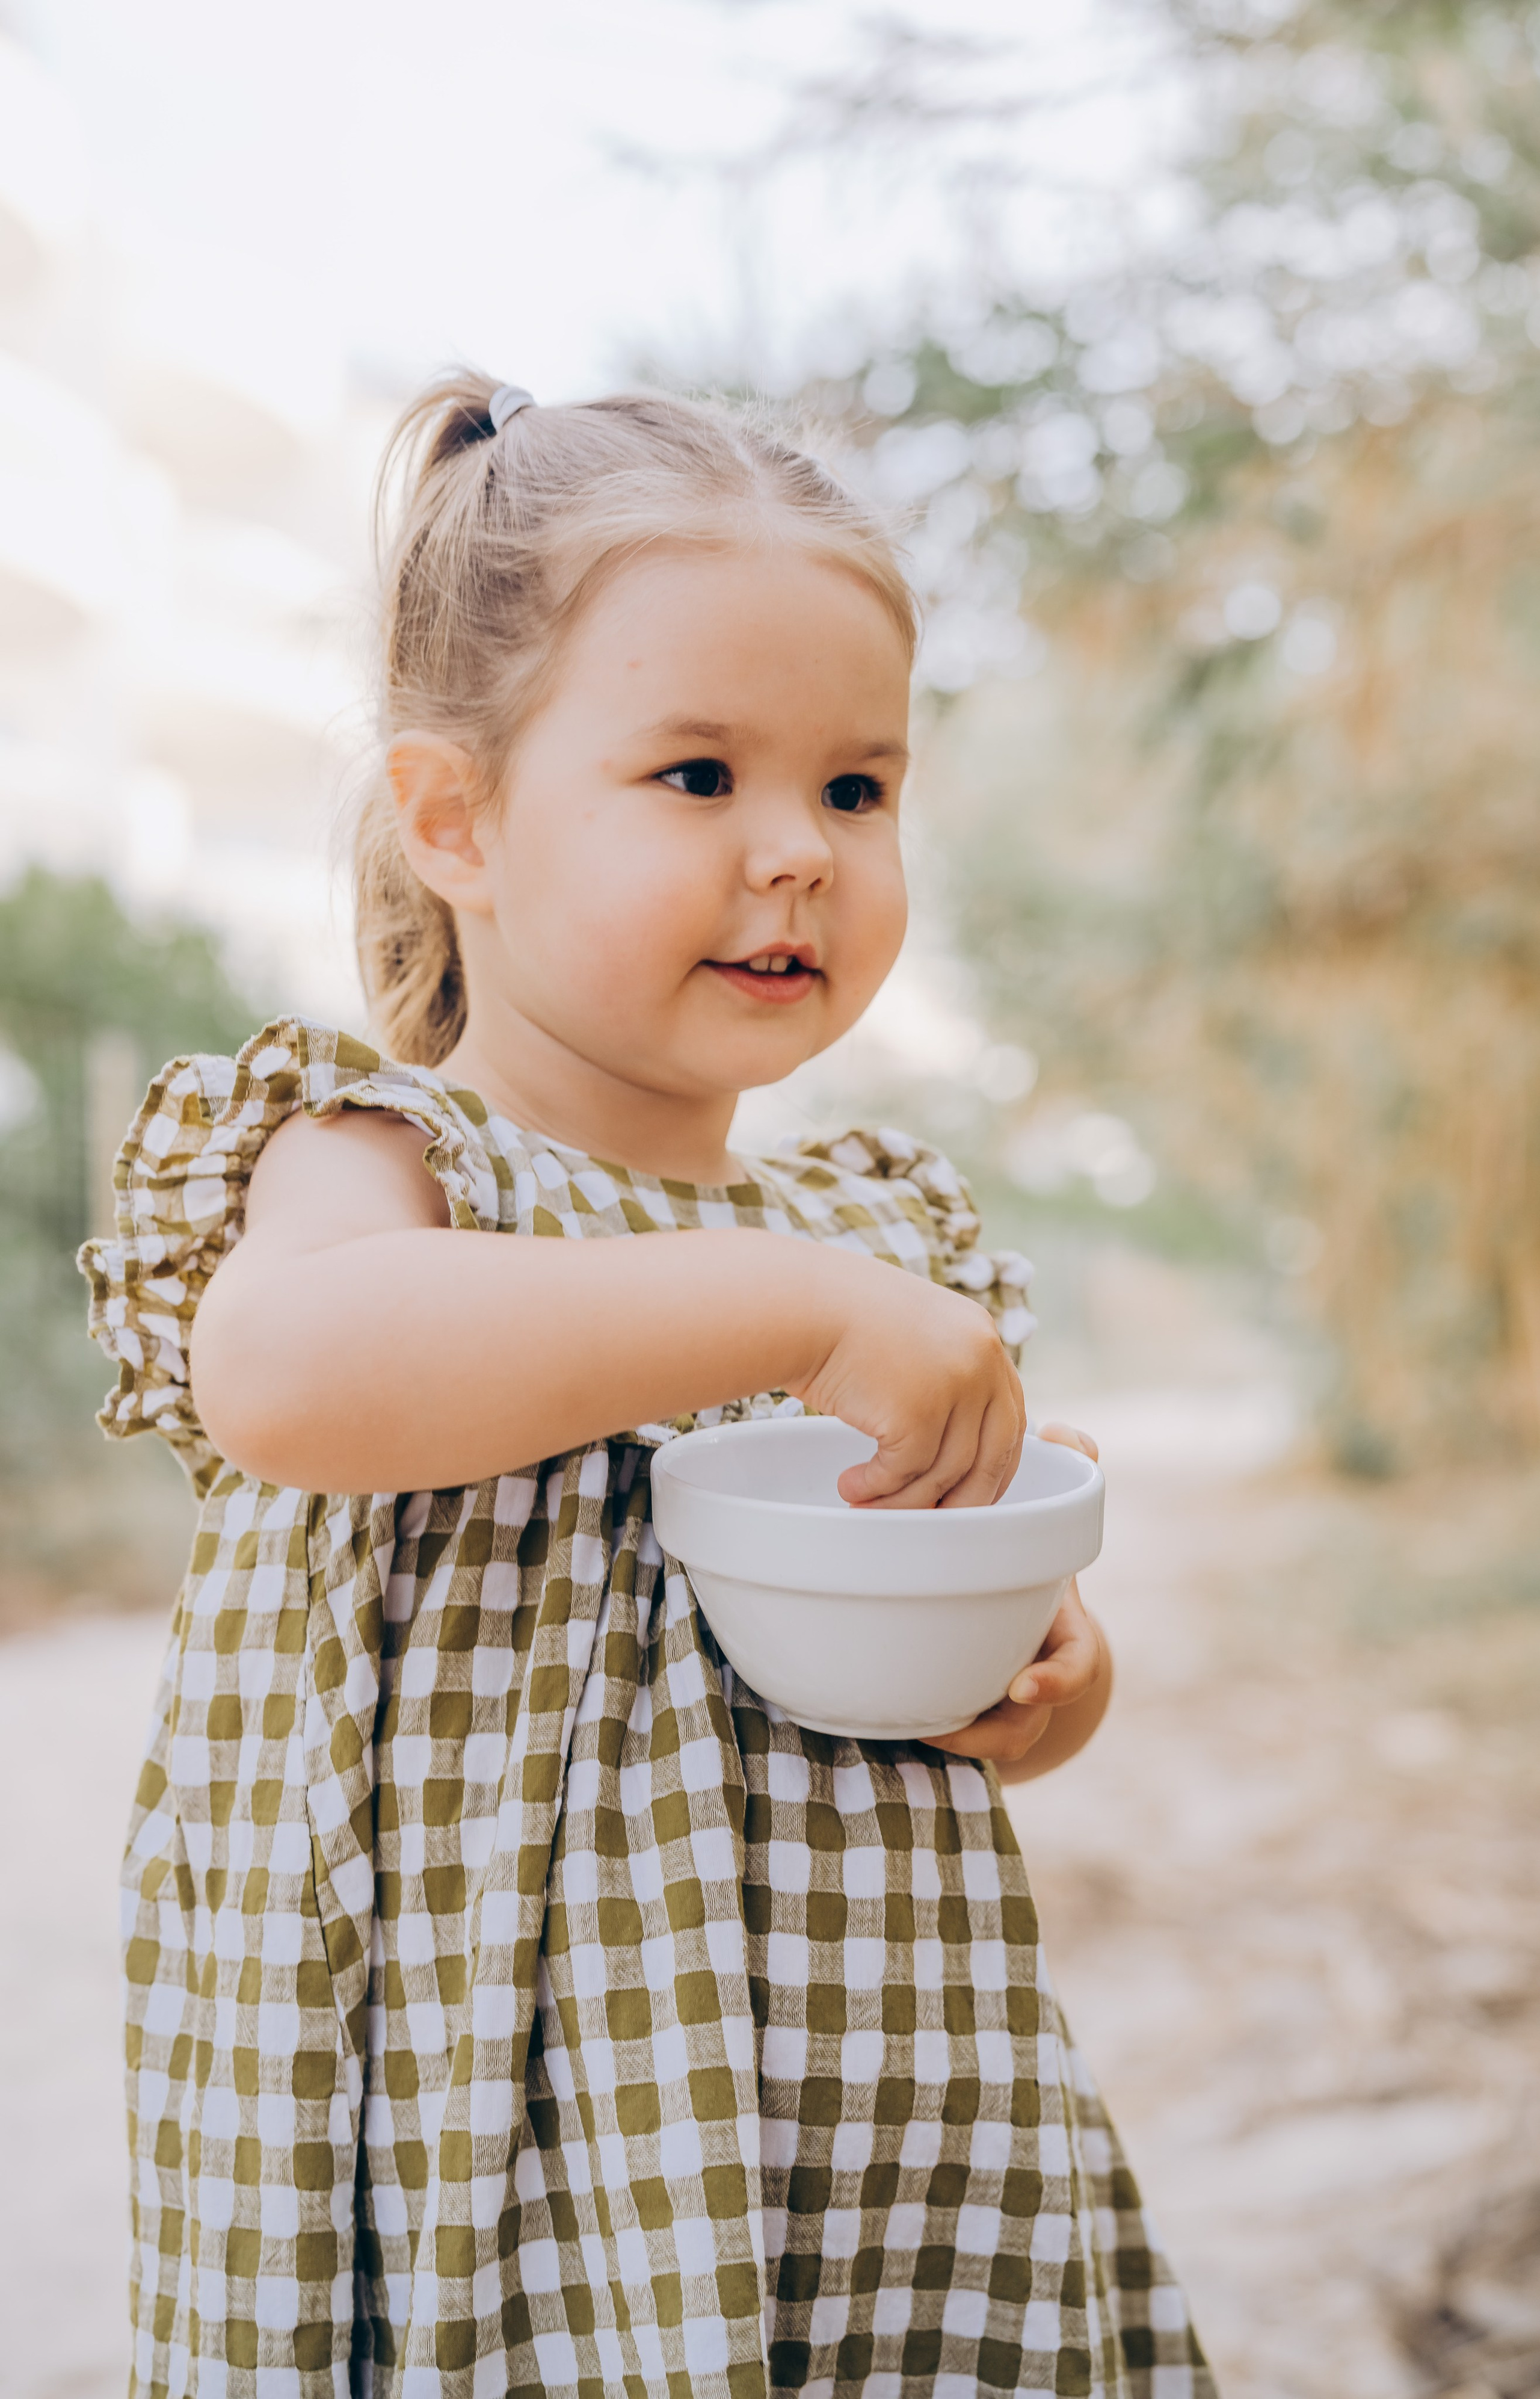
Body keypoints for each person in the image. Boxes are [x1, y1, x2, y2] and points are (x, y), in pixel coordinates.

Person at [82, 375, 1214, 2398]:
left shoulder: (884, 1229)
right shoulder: (380, 1164)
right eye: (699, 775)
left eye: (856, 791)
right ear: (460, 822)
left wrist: (1050, 1676)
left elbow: (1006, 1644)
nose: (796, 853)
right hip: (465, 2135)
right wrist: (780, 1306)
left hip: (864, 2124)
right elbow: (287, 1372)